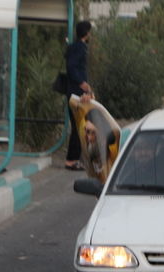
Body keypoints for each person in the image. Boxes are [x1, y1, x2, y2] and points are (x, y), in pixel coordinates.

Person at [65, 20, 93, 171]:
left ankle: (77, 158)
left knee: (80, 124)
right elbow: (72, 67)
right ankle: (71, 160)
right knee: (79, 125)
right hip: (77, 92)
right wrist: (82, 82)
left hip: (74, 91)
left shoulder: (74, 47)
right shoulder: (80, 47)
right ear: (86, 33)